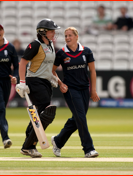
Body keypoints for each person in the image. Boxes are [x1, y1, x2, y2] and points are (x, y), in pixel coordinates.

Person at [51, 27, 100, 158]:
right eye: (66, 36)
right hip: (70, 90)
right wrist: (60, 84)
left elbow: (93, 71)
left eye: (70, 35)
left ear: (76, 36)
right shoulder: (61, 53)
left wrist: (93, 90)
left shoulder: (87, 51)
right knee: (81, 118)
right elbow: (52, 70)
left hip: (84, 89)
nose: (67, 38)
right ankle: (88, 149)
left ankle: (57, 141)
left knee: (78, 118)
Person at [15, 19, 60, 158]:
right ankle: (28, 145)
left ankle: (29, 143)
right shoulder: (35, 45)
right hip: (34, 81)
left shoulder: (51, 45)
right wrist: (22, 82)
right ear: (43, 32)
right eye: (51, 31)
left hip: (46, 82)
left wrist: (55, 78)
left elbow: (48, 66)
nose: (54, 33)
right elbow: (22, 63)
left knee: (40, 114)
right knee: (47, 112)